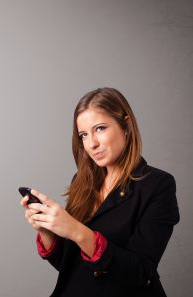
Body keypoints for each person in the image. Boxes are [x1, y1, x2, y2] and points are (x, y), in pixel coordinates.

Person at [20, 87, 180, 297]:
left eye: (101, 128)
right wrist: (48, 231)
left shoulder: (158, 185)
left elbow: (140, 272)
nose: (92, 144)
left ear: (127, 125)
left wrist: (76, 230)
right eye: (84, 135)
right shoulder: (82, 181)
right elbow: (71, 267)